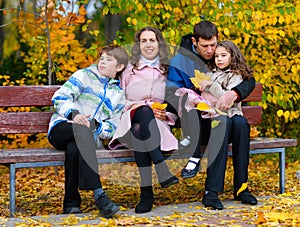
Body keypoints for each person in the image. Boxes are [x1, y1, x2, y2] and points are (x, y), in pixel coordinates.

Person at [167, 20, 257, 209]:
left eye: (213, 45)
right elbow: (172, 94)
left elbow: (248, 80)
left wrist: (234, 94)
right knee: (221, 123)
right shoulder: (181, 61)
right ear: (194, 41)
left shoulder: (221, 55)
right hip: (199, 121)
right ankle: (211, 191)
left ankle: (242, 187)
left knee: (240, 124)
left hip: (224, 117)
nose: (210, 51)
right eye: (205, 46)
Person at [47, 45, 128, 217]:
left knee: (74, 148)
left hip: (87, 137)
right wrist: (75, 114)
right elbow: (60, 97)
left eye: (109, 59)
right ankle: (99, 194)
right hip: (62, 127)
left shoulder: (119, 95)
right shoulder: (84, 75)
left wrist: (96, 125)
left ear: (119, 67)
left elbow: (112, 128)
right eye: (102, 57)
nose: (102, 61)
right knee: (81, 132)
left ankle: (71, 203)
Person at [109, 26, 179, 214]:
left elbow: (175, 101)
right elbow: (117, 99)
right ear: (138, 45)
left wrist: (168, 115)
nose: (148, 44)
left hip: (156, 124)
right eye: (144, 40)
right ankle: (161, 167)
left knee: (142, 128)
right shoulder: (128, 70)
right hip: (128, 120)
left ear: (159, 44)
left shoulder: (167, 70)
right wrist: (134, 106)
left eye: (152, 40)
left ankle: (146, 193)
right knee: (141, 114)